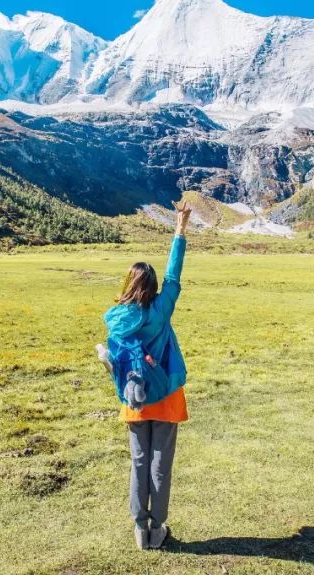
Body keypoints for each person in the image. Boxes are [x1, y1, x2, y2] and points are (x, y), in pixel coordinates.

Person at [101, 201, 192, 550]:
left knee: (139, 462)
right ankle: (158, 529)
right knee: (160, 465)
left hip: (135, 398)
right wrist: (179, 229)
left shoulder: (118, 317)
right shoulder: (161, 309)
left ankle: (140, 529)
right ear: (152, 286)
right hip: (166, 396)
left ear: (128, 283)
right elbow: (174, 274)